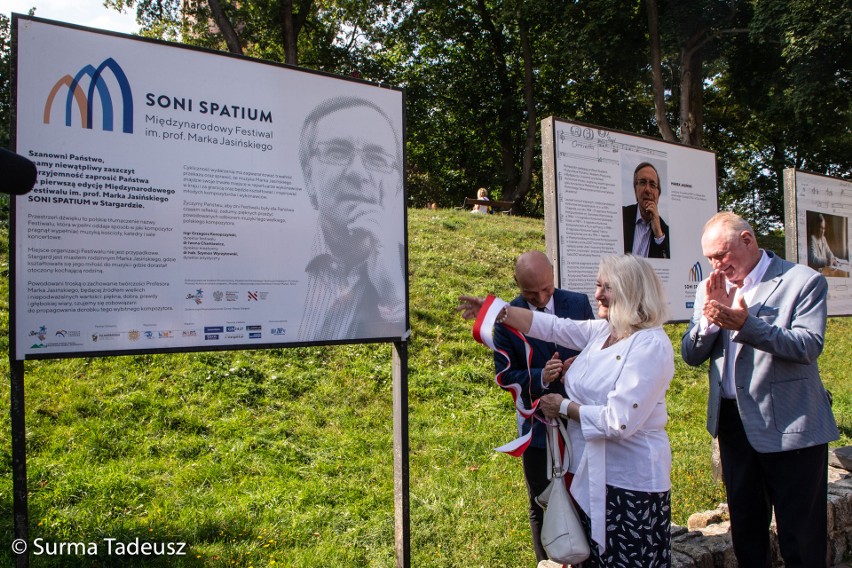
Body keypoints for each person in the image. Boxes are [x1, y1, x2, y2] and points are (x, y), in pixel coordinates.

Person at [459, 254, 674, 566]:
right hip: (593, 475)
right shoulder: (605, 331)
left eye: (606, 288)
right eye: (599, 286)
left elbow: (618, 421)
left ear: (631, 291)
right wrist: (498, 313)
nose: (597, 294)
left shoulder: (650, 345)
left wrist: (563, 406)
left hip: (630, 484)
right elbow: (552, 326)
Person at [681, 211, 839, 568]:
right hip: (735, 427)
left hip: (791, 427)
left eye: (720, 256)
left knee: (801, 537)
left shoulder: (802, 281)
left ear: (748, 240)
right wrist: (707, 323)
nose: (715, 266)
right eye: (708, 258)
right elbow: (691, 354)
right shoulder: (713, 286)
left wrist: (746, 325)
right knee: (747, 534)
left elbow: (808, 346)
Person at [492, 251, 594, 562]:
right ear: (517, 285)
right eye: (530, 292)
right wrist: (540, 376)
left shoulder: (577, 303)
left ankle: (587, 558)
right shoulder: (506, 318)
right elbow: (506, 375)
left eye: (547, 289)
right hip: (537, 428)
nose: (540, 298)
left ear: (553, 275)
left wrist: (582, 362)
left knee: (584, 498)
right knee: (542, 501)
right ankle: (547, 560)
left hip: (579, 421)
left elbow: (599, 346)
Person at [297, 96, 405, 341]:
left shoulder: (400, 269)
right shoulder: (271, 260)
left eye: (377, 158)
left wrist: (394, 297)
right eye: (337, 152)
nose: (358, 173)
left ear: (397, 185)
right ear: (308, 176)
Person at [622, 162, 670, 258]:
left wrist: (658, 234)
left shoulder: (665, 231)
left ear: (658, 195)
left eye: (652, 185)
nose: (647, 190)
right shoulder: (622, 215)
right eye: (643, 183)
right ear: (635, 190)